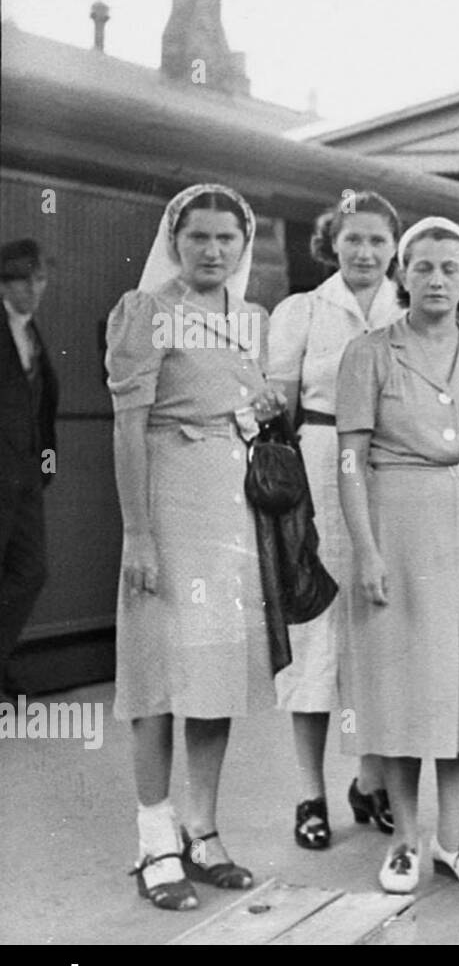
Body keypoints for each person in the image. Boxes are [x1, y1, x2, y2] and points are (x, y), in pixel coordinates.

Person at [107, 184, 284, 910]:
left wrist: (259, 408)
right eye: (198, 237)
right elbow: (127, 426)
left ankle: (203, 830)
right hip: (169, 504)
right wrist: (137, 533)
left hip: (234, 511)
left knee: (217, 676)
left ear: (243, 247)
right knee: (159, 676)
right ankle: (155, 843)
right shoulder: (146, 311)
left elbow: (243, 409)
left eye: (227, 239)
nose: (213, 250)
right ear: (173, 241)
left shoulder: (252, 319)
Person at [335, 216, 459, 891]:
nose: (437, 278)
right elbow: (351, 457)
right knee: (399, 685)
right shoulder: (369, 352)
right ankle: (404, 840)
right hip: (397, 523)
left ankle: (454, 837)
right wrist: (365, 548)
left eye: (451, 267)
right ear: (402, 273)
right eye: (423, 266)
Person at [267, 192, 404, 849]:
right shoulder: (303, 310)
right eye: (353, 239)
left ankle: (370, 781)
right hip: (320, 471)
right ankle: (307, 793)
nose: (365, 252)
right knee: (316, 631)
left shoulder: (409, 311)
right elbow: (277, 410)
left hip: (393, 475)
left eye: (378, 240)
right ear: (332, 242)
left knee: (377, 632)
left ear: (394, 246)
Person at [1, 239, 58, 692]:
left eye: (39, 278)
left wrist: (45, 465)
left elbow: (41, 408)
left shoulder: (32, 331)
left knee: (30, 571)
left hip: (26, 480)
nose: (34, 289)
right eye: (24, 279)